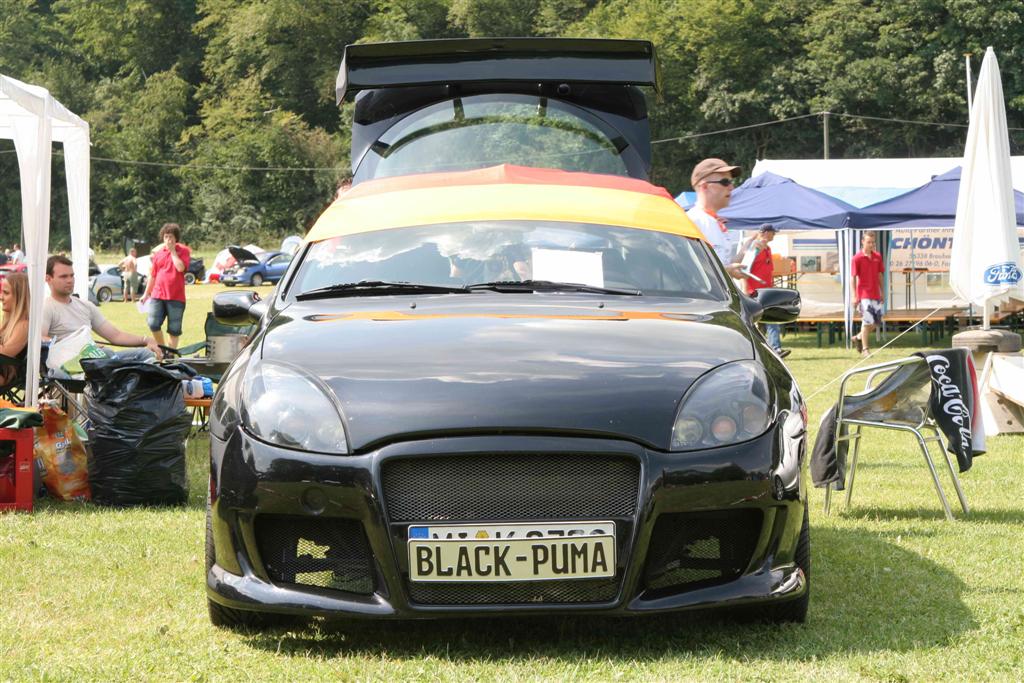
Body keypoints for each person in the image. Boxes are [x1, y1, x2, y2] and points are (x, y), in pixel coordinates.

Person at [41, 255, 161, 366]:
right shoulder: (46, 307)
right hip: (72, 366)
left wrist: (146, 340)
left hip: (97, 359)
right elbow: (41, 339)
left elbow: (116, 336)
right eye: (63, 276)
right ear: (48, 279)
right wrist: (83, 348)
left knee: (145, 355)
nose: (70, 280)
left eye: (72, 275)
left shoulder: (86, 306)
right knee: (108, 354)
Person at [686, 157, 746, 279]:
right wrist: (727, 271)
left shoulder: (715, 222)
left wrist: (747, 249)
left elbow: (723, 265)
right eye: (725, 182)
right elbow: (689, 269)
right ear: (704, 186)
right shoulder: (692, 221)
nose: (731, 187)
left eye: (731, 182)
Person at [741, 224, 790, 359]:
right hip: (754, 291)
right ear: (765, 232)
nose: (774, 235)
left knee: (765, 321)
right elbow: (745, 269)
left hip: (766, 290)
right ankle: (774, 348)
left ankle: (767, 349)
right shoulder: (755, 247)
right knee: (766, 320)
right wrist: (746, 289)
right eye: (773, 233)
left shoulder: (767, 248)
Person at [140, 223, 190, 349]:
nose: (168, 240)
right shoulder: (158, 254)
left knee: (174, 329)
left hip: (176, 297)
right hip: (157, 295)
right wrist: (146, 294)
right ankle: (163, 349)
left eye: (171, 237)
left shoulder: (184, 251)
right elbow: (153, 276)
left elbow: (180, 268)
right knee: (153, 323)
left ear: (176, 238)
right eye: (166, 237)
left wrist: (173, 251)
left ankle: (170, 355)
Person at [851, 232, 885, 356]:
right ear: (863, 242)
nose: (871, 244)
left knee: (876, 322)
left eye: (873, 242)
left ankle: (858, 337)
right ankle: (865, 349)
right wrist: (854, 296)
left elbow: (880, 275)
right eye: (868, 242)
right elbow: (853, 278)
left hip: (875, 293)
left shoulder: (878, 256)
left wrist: (882, 292)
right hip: (864, 294)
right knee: (867, 321)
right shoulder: (857, 258)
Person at [0, 272, 30, 387]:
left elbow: (6, 353)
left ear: (20, 296)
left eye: (6, 293)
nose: (1, 297)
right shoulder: (9, 322)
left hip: (6, 375)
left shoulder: (24, 325)